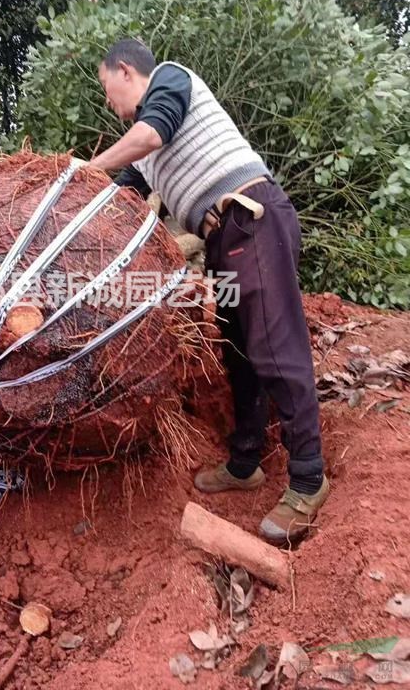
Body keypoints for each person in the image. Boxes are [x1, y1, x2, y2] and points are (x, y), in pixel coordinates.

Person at [90, 38, 329, 546]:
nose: (110, 104)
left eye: (109, 90)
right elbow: (118, 203)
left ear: (127, 71)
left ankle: (309, 481)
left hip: (252, 218)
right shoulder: (145, 160)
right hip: (223, 238)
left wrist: (89, 166)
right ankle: (246, 464)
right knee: (241, 356)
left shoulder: (172, 81)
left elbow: (150, 134)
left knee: (275, 350)